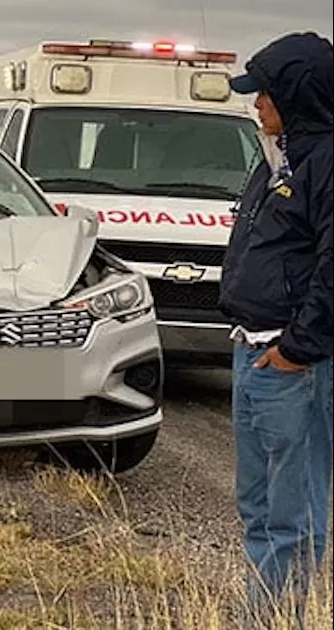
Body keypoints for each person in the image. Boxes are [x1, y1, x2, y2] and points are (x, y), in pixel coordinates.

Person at [220, 31, 333, 625]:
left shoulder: (327, 161)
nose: (256, 104)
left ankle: (281, 618)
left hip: (292, 364)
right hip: (252, 348)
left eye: (265, 93)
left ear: (297, 93)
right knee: (257, 504)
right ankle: (259, 614)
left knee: (293, 511)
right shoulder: (277, 156)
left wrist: (299, 347)